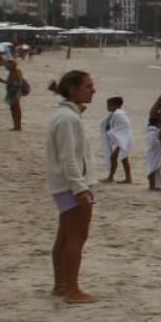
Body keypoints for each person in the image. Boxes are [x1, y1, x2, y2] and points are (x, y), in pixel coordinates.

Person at [44, 69, 100, 303]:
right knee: (76, 237)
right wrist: (80, 188)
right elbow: (69, 157)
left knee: (66, 236)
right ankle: (72, 290)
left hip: (65, 183)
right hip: (71, 185)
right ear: (73, 90)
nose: (93, 90)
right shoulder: (67, 118)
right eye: (88, 86)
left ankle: (61, 284)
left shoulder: (66, 116)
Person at [102, 96, 133, 183]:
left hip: (124, 139)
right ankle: (128, 178)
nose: (107, 107)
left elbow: (124, 126)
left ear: (115, 105)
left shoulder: (118, 114)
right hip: (124, 139)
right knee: (124, 158)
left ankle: (111, 177)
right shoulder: (117, 114)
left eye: (109, 105)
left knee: (114, 157)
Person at [0, 59, 27, 131]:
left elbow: (18, 84)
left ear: (11, 66)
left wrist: (3, 81)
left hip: (15, 93)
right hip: (12, 93)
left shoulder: (16, 72)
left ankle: (18, 127)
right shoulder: (12, 72)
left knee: (16, 110)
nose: (6, 68)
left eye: (7, 66)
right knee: (13, 109)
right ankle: (16, 126)